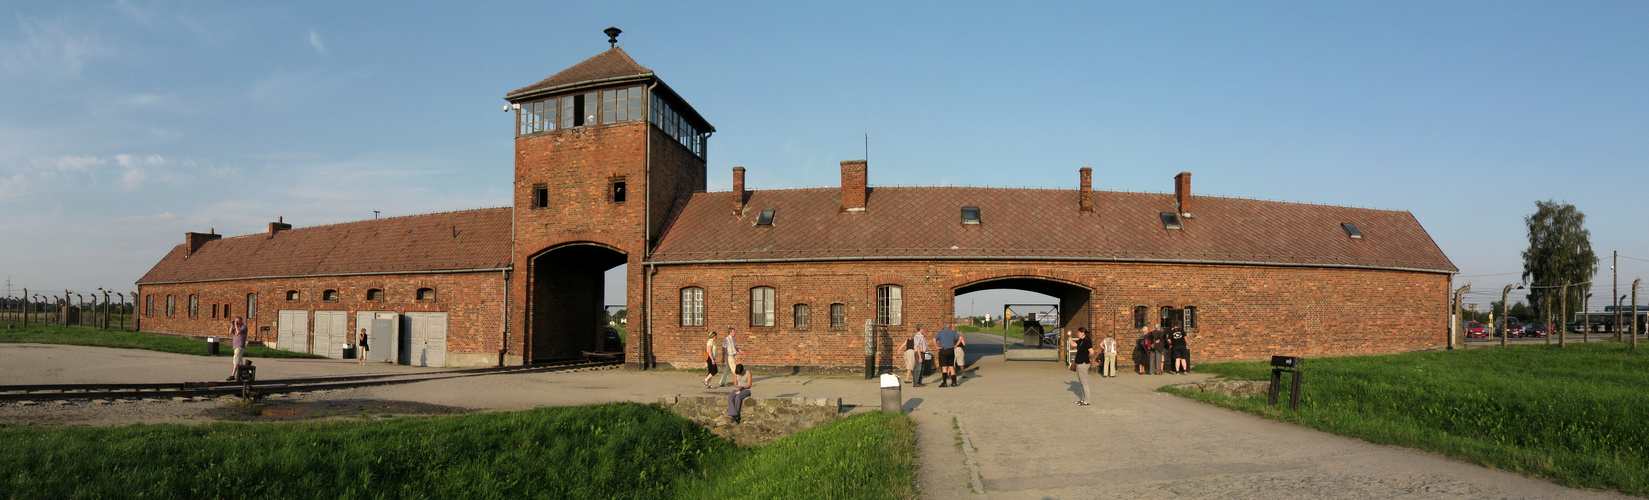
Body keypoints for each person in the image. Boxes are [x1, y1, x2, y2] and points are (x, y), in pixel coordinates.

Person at [1070, 327, 1094, 405]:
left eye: (1078, 333)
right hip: (1079, 363)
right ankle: (1084, 399)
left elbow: (1092, 352)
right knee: (1082, 382)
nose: (1077, 334)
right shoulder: (1081, 340)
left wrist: (1089, 357)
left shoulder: (1087, 341)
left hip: (1083, 363)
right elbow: (1073, 344)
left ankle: (1087, 400)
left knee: (1084, 382)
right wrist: (1070, 336)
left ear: (1083, 333)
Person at [226, 317, 248, 381]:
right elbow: (230, 332)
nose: (236, 322)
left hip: (240, 346)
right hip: (235, 346)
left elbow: (238, 332)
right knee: (239, 361)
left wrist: (236, 325)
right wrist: (232, 326)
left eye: (237, 321)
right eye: (236, 321)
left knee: (236, 359)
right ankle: (241, 375)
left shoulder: (244, 326)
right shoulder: (236, 327)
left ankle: (232, 375)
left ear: (241, 321)